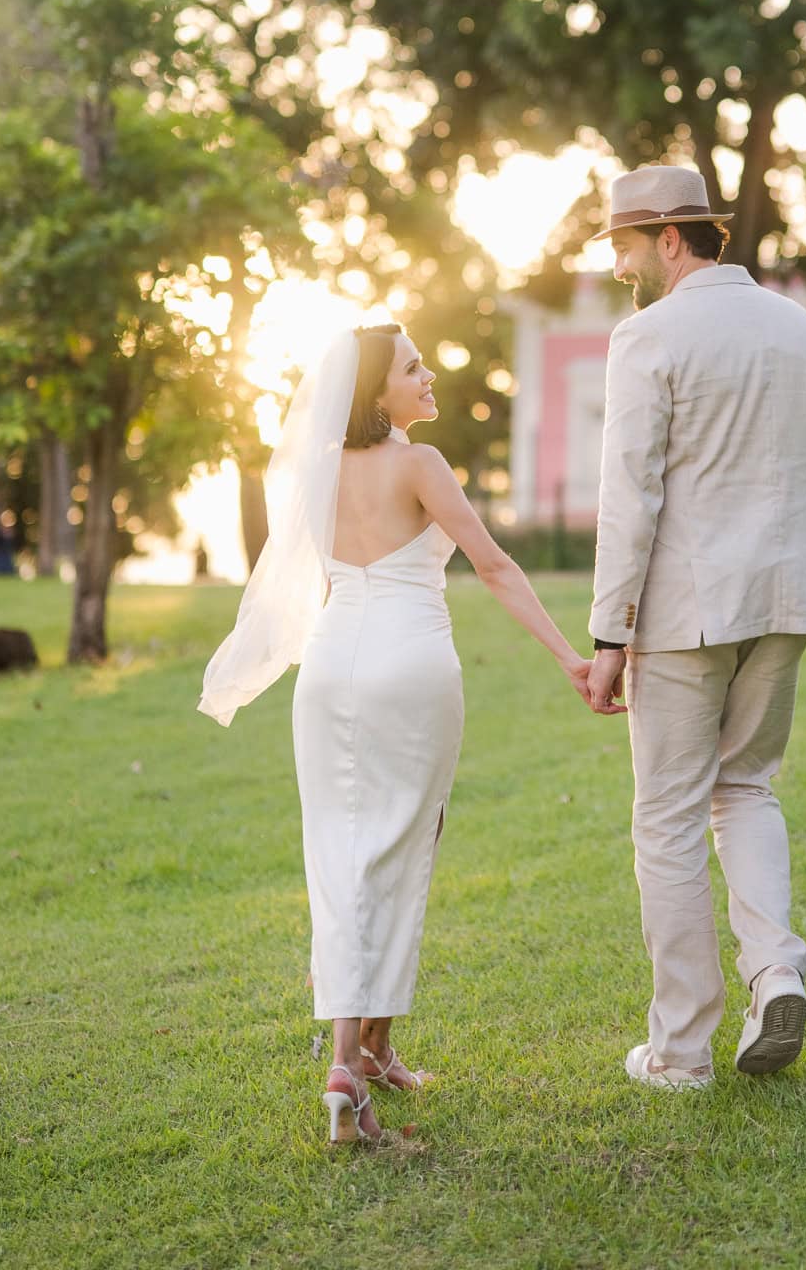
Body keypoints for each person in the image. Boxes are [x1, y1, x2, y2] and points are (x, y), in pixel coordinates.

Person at [199, 321, 591, 1144]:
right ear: (375, 392)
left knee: (343, 857)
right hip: (410, 668)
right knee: (403, 848)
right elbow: (493, 566)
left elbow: (292, 585)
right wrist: (570, 659)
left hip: (330, 669)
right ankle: (350, 1060)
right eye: (414, 367)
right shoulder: (419, 464)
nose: (430, 375)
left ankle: (369, 1053)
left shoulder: (315, 472)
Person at [584, 165, 806, 1091]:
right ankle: (775, 970)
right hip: (786, 597)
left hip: (683, 612)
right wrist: (786, 575)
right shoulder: (802, 329)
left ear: (667, 236)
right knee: (748, 790)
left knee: (667, 819)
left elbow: (630, 496)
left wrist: (610, 634)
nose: (617, 263)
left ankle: (681, 1053)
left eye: (621, 243)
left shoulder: (646, 337)